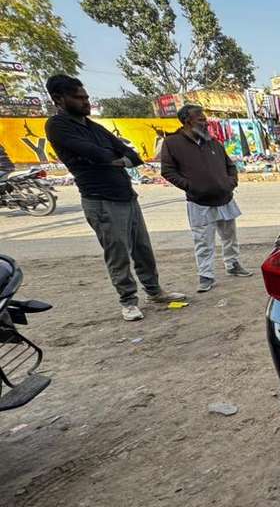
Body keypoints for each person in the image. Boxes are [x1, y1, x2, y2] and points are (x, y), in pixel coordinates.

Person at [44, 74, 186, 322]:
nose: (86, 102)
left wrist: (113, 158)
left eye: (86, 97)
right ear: (59, 98)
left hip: (126, 196)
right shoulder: (58, 126)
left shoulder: (93, 127)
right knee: (118, 253)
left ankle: (154, 292)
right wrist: (111, 157)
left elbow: (132, 155)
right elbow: (94, 153)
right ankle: (128, 301)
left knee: (143, 250)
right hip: (101, 199)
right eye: (79, 98)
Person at [160, 104, 253, 292]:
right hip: (199, 201)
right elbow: (168, 171)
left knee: (229, 236)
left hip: (224, 197)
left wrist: (230, 182)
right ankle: (206, 275)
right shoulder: (173, 143)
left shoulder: (213, 142)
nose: (205, 122)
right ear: (187, 121)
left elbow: (230, 166)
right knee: (203, 240)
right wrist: (191, 186)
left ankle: (233, 264)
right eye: (201, 119)